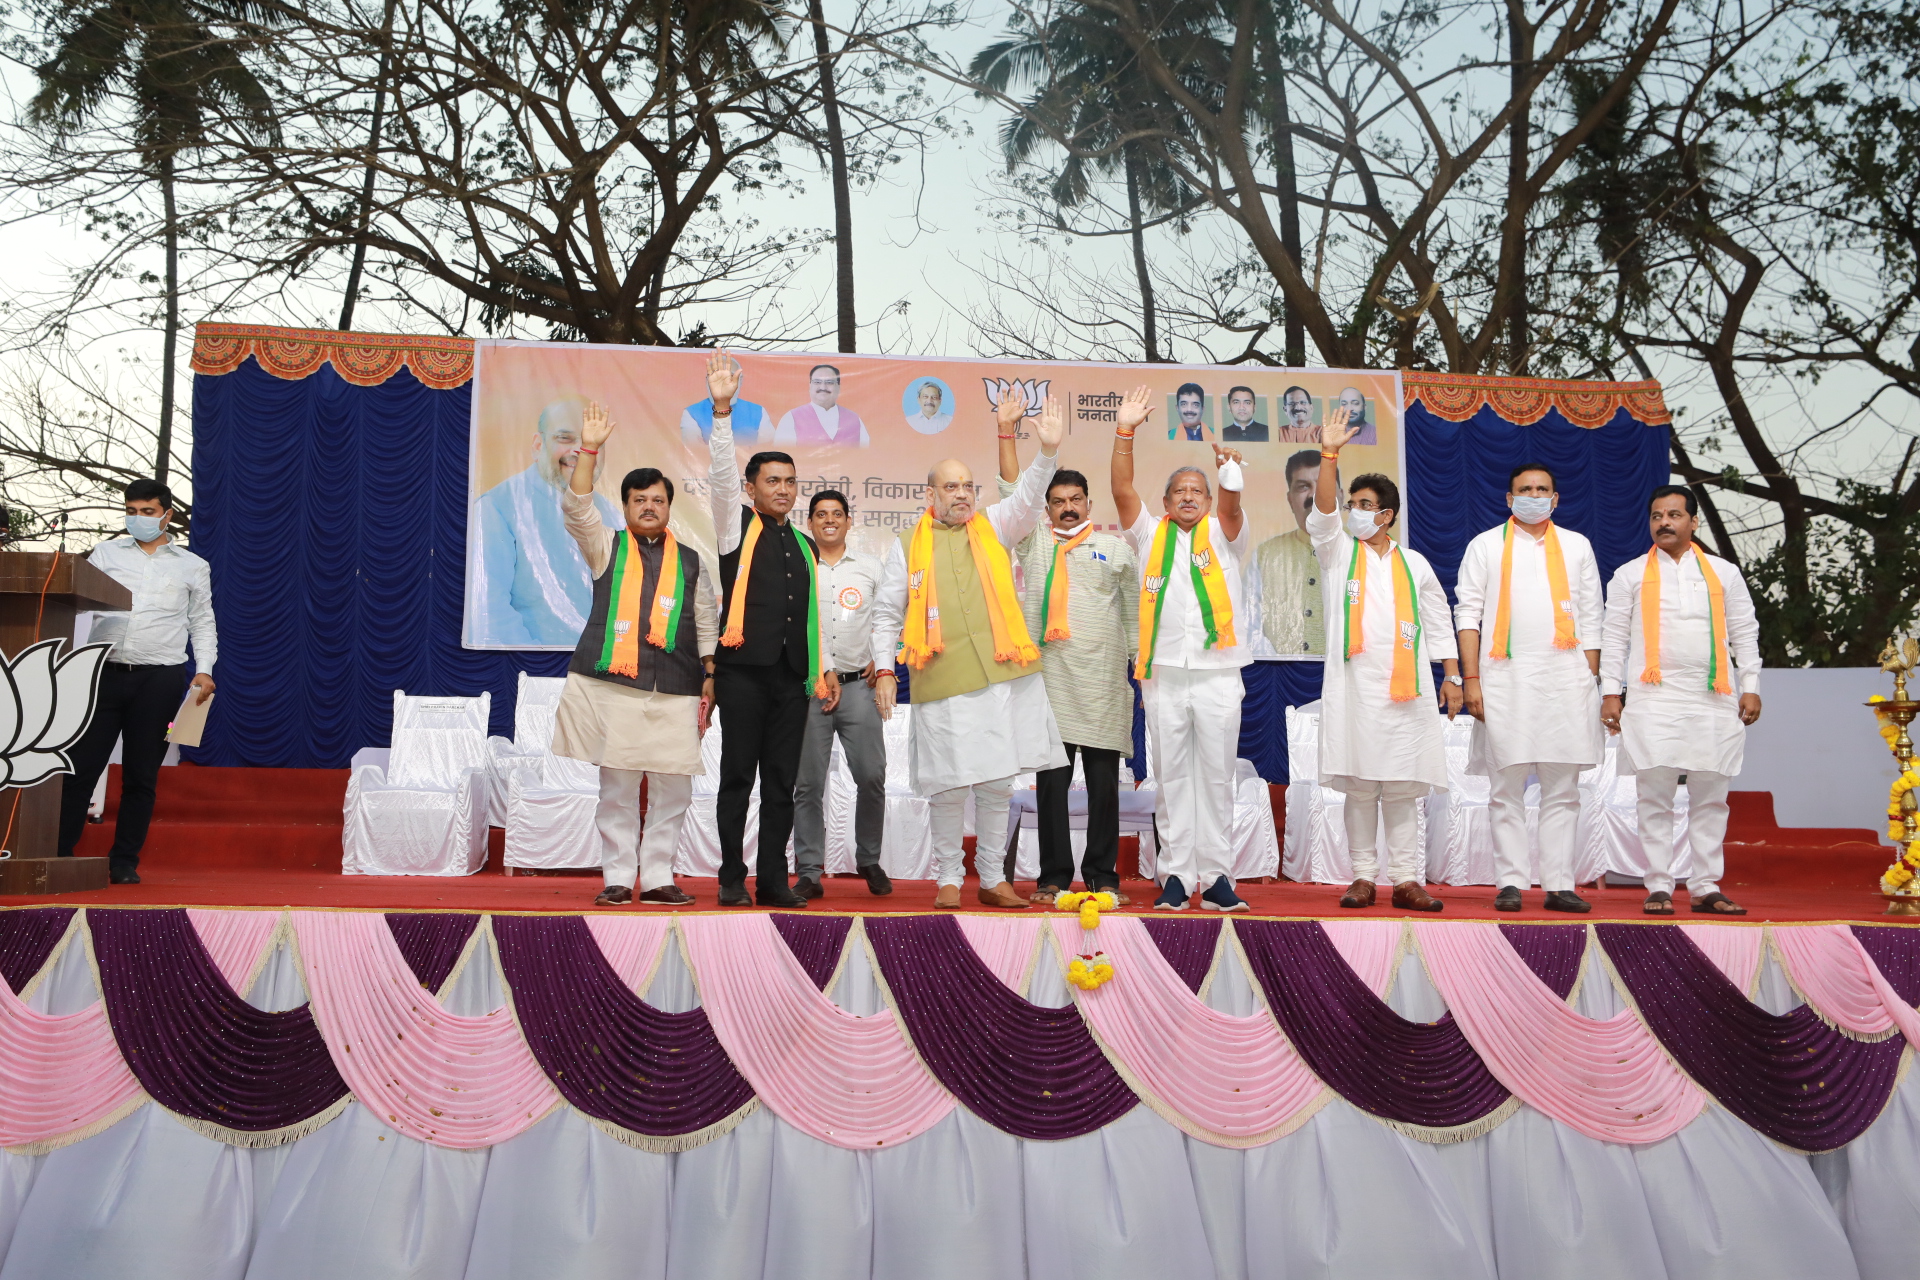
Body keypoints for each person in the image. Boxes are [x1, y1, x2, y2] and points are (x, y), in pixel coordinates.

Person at [869, 393, 1069, 908]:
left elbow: (1027, 498)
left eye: (967, 485)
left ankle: (993, 878)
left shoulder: (995, 525)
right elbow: (888, 614)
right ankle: (948, 880)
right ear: (930, 493)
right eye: (951, 486)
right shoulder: (904, 545)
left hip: (1002, 674)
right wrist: (886, 671)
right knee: (949, 786)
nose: (961, 494)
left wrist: (1045, 453)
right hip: (941, 677)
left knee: (998, 782)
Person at [549, 408, 715, 907]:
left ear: (669, 508)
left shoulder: (691, 561)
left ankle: (659, 876)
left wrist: (711, 672)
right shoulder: (606, 547)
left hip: (678, 687)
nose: (649, 507)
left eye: (657, 500)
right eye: (639, 500)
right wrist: (590, 451)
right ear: (624, 506)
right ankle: (619, 876)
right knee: (618, 788)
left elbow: (706, 620)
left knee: (673, 792)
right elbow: (578, 507)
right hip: (616, 687)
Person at [1311, 409, 1462, 911]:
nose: (1355, 511)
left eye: (1366, 505)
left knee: (1399, 787)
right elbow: (1325, 510)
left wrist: (1453, 675)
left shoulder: (1414, 563)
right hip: (1354, 690)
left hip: (1406, 691)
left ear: (1388, 515)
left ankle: (1405, 878)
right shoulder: (1336, 551)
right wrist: (1329, 455)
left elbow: (1439, 620)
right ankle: (1361, 877)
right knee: (1360, 787)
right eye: (1352, 503)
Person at [1111, 387, 1255, 912]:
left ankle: (1216, 876)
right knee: (1172, 776)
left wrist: (1228, 476)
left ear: (1208, 500)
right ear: (1168, 502)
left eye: (1199, 491)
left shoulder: (1225, 533)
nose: (1190, 497)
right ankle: (1174, 874)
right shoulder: (1149, 534)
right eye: (1181, 492)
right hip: (1164, 672)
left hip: (1219, 672)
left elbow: (1235, 508)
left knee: (1216, 775)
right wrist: (1124, 431)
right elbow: (1122, 490)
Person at [708, 352, 841, 909]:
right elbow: (718, 477)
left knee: (782, 784)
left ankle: (773, 880)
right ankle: (732, 879)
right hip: (742, 674)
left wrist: (824, 668)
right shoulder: (732, 526)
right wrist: (722, 412)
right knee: (738, 779)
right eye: (773, 481)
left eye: (790, 482)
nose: (784, 490)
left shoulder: (807, 545)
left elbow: (817, 617)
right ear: (751, 486)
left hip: (793, 679)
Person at [1600, 486, 1762, 916]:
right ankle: (1658, 885)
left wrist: (1752, 684)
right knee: (1654, 795)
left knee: (1711, 795)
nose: (1664, 523)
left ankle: (1706, 885)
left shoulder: (1724, 573)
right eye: (1656, 516)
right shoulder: (1629, 574)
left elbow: (1745, 632)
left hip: (1713, 695)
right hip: (1653, 698)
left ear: (1693, 522)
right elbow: (1613, 639)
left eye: (1673, 515)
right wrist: (1610, 692)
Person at [1452, 464, 1604, 913]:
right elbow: (1468, 615)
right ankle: (1511, 882)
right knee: (1506, 789)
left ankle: (1559, 884)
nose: (1534, 495)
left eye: (1542, 490)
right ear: (1509, 498)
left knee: (1563, 790)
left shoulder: (1578, 546)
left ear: (1555, 499)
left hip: (1566, 680)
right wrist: (1472, 679)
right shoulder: (1484, 546)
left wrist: (1587, 676)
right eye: (1525, 489)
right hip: (1504, 680)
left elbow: (1593, 617)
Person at [995, 441, 1138, 906]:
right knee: (1052, 787)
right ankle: (1053, 876)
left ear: (1089, 504)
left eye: (1076, 500)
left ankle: (1101, 876)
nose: (1068, 508)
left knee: (1103, 788)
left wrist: (1139, 659)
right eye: (1058, 502)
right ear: (1047, 508)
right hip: (1049, 684)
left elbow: (1135, 614)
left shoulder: (1115, 549)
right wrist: (1005, 435)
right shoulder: (1034, 543)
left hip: (1102, 684)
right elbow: (1013, 490)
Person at [57, 478, 217, 885]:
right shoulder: (105, 553)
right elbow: (71, 594)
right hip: (101, 672)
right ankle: (58, 853)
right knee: (80, 769)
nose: (138, 518)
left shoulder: (192, 566)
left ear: (167, 515)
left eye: (147, 511)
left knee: (141, 775)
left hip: (159, 679)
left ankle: (123, 861)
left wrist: (205, 669)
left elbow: (202, 622)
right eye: (131, 511)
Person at [791, 490, 892, 899]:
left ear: (850, 521)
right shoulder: (798, 566)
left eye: (837, 514)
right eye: (820, 515)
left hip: (858, 686)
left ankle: (868, 859)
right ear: (810, 523)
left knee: (872, 776)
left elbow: (892, 615)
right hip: (810, 689)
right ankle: (809, 870)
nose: (829, 520)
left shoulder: (870, 567)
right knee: (807, 784)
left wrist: (884, 656)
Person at [470, 400, 622, 646]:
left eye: (592, 443)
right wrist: (544, 664)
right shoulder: (497, 507)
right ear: (538, 445)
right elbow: (490, 611)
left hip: (601, 668)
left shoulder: (613, 515)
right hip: (533, 669)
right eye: (565, 439)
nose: (579, 451)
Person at [1248, 449, 1330, 656]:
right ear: (1290, 500)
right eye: (1303, 487)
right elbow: (1248, 623)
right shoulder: (1265, 555)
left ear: (1339, 493)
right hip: (1280, 676)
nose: (1313, 495)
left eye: (1322, 485)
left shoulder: (1362, 553)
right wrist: (1282, 665)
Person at [774, 364, 868, 447]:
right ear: (810, 386)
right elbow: (782, 457)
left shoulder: (854, 419)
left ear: (838, 387)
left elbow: (865, 457)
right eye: (817, 382)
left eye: (829, 382)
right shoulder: (791, 418)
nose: (823, 387)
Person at [680, 365, 768, 445]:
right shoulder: (692, 413)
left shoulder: (758, 411)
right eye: (717, 377)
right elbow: (695, 452)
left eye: (730, 377)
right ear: (707, 380)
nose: (724, 382)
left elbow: (766, 449)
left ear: (741, 380)